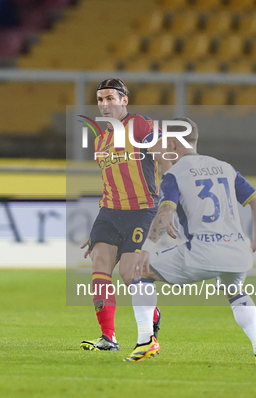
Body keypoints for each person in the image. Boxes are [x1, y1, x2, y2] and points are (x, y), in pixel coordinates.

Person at [124, 117, 256, 365]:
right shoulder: (224, 166)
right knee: (234, 293)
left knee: (138, 272)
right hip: (237, 251)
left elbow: (165, 211)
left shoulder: (175, 174)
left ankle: (145, 340)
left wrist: (147, 248)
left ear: (172, 141)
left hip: (201, 252)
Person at [79, 78, 171, 351]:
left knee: (131, 274)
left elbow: (165, 160)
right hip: (109, 213)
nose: (104, 104)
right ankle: (109, 338)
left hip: (142, 211)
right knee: (99, 269)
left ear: (124, 100)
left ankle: (150, 325)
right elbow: (110, 181)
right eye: (100, 99)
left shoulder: (141, 125)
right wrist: (97, 227)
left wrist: (169, 205)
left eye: (110, 98)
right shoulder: (100, 140)